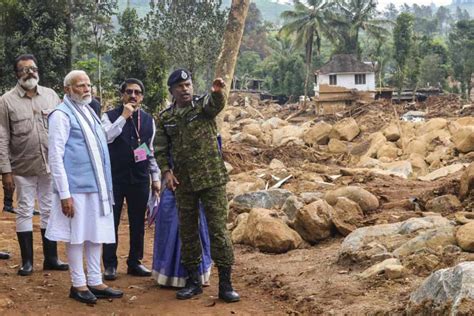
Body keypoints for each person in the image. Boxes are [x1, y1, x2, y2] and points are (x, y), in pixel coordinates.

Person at [154, 69, 240, 302]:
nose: (185, 89)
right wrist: (166, 172)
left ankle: (225, 284)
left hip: (211, 180)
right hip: (184, 183)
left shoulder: (203, 106)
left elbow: (216, 105)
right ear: (171, 90)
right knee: (188, 231)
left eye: (188, 84)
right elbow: (160, 149)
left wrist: (218, 92)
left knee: (218, 232)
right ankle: (193, 281)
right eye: (180, 86)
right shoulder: (165, 118)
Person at [46, 70, 122, 304]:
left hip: (97, 187)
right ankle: (78, 284)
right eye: (80, 85)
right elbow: (56, 157)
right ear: (67, 89)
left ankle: (95, 281)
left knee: (95, 234)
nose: (87, 89)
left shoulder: (89, 111)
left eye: (88, 85)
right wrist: (64, 194)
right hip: (76, 189)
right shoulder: (61, 115)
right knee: (77, 237)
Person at [0, 54, 68, 276]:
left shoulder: (51, 95)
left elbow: (63, 129)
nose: (30, 72)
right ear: (16, 74)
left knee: (49, 209)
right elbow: (2, 137)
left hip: (50, 165)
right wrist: (5, 171)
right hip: (22, 166)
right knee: (25, 209)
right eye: (24, 69)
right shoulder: (6, 101)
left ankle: (51, 258)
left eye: (33, 68)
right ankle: (27, 262)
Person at [101, 78, 161, 280]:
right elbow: (106, 137)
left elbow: (150, 150)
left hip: (140, 178)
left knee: (137, 222)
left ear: (142, 97)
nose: (133, 95)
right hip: (115, 179)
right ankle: (110, 264)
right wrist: (124, 117)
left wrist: (155, 177)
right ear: (122, 95)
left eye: (137, 92)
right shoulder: (109, 116)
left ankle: (135, 262)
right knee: (112, 221)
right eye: (129, 92)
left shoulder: (148, 120)